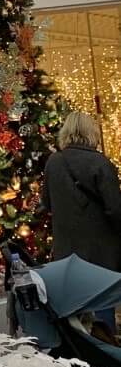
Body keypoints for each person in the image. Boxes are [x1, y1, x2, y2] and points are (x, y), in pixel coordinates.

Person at [43, 110, 121, 272]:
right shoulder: (100, 163)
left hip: (65, 252)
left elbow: (47, 203)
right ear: (92, 132)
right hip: (100, 253)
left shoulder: (54, 161)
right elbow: (115, 209)